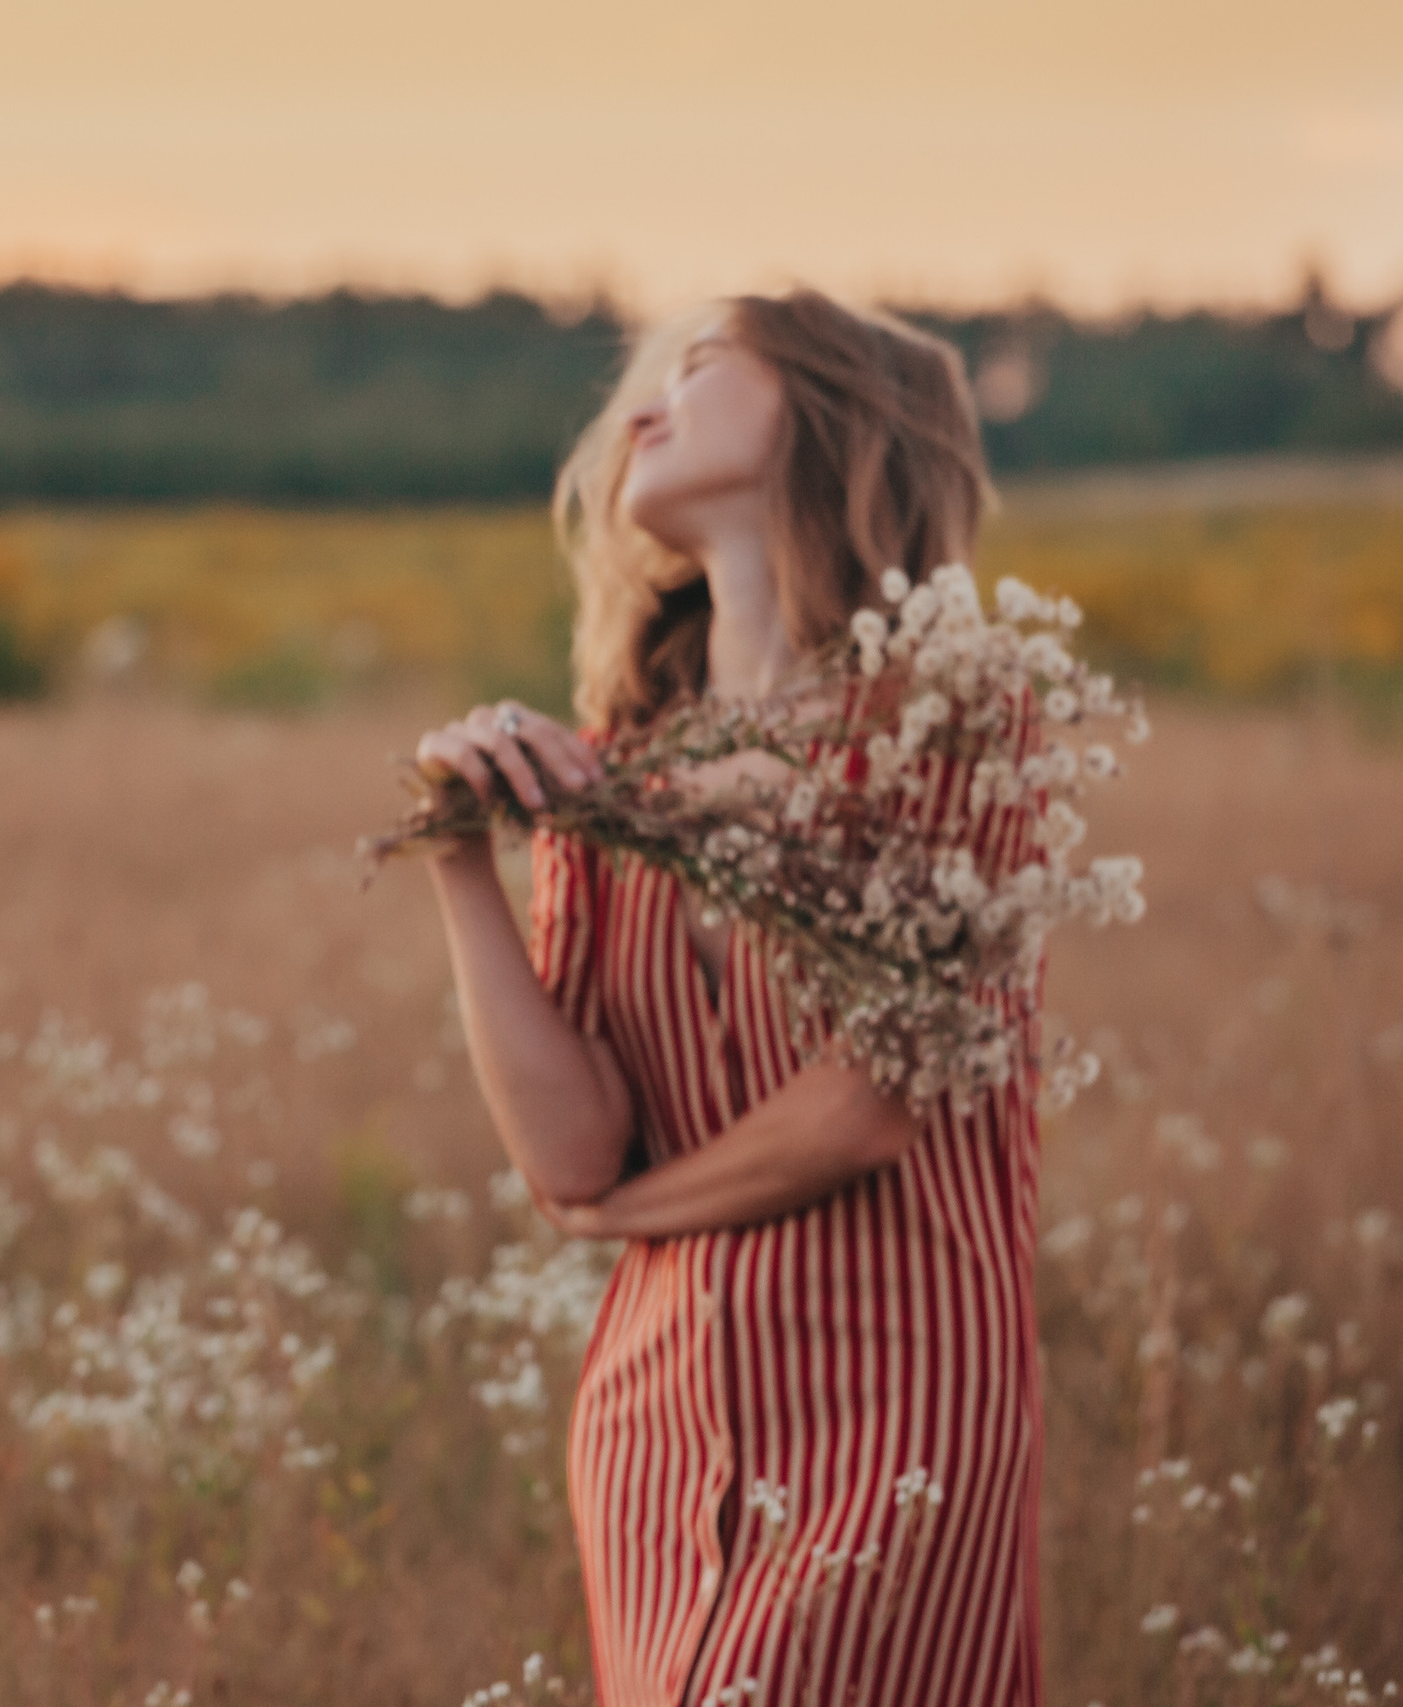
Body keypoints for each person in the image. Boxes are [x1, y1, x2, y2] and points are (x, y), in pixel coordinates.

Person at [413, 288, 1045, 1707]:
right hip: (656, 1419)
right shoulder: (613, 774)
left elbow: (872, 1107)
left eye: (700, 369)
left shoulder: (952, 720)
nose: (642, 408)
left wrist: (623, 1221)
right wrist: (464, 859)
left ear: (830, 416)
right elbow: (569, 1154)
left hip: (897, 1404)